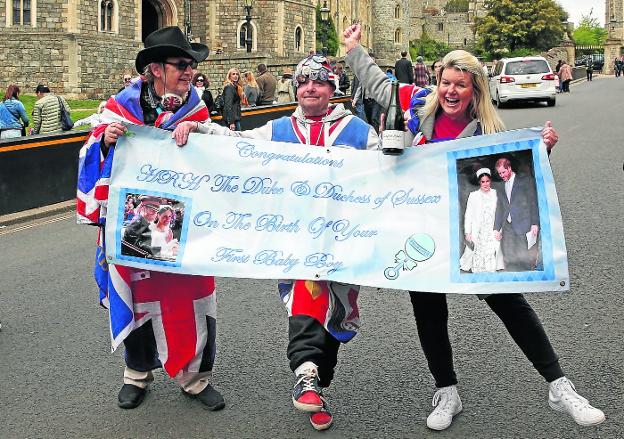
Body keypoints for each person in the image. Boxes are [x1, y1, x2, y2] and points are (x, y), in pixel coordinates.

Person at [343, 22, 605, 431]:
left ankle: (559, 386)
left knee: (509, 302)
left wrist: (543, 151)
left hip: (473, 229)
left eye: (460, 86)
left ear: (475, 91)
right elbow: (378, 84)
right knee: (429, 310)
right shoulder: (415, 102)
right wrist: (353, 48)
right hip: (423, 229)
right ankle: (446, 390)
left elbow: (517, 180)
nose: (450, 91)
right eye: (446, 82)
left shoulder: (489, 133)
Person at [173, 53, 380, 431]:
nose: (310, 88)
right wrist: (199, 129)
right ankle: (304, 374)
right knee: (307, 297)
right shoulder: (279, 129)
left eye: (318, 82)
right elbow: (236, 143)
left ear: (332, 88)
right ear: (296, 89)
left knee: (334, 319)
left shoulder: (360, 133)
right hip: (297, 240)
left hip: (345, 242)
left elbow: (391, 175)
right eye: (303, 83)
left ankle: (316, 382)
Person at [76, 26, 224, 411]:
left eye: (192, 65)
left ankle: (194, 378)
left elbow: (219, 155)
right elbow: (89, 151)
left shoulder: (196, 108)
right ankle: (137, 374)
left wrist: (201, 132)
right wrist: (105, 140)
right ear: (156, 68)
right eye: (181, 64)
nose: (190, 71)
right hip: (133, 221)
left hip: (183, 221)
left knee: (190, 299)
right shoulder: (119, 106)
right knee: (139, 295)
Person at [493, 157, 539, 271]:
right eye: (499, 173)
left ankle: (526, 282)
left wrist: (534, 223)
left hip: (523, 224)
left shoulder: (525, 181)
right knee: (508, 256)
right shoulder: (500, 186)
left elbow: (533, 202)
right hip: (507, 225)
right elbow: (500, 207)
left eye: (503, 172)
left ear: (509, 168)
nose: (502, 175)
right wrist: (496, 228)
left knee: (524, 257)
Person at [461, 168, 502, 273]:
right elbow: (468, 214)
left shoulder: (496, 194)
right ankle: (477, 268)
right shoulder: (473, 195)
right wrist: (467, 232)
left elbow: (500, 214)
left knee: (490, 250)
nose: (485, 184)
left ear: (490, 181)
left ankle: (490, 269)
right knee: (477, 250)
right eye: (483, 181)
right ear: (479, 182)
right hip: (477, 230)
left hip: (491, 229)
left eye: (487, 181)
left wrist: (499, 230)